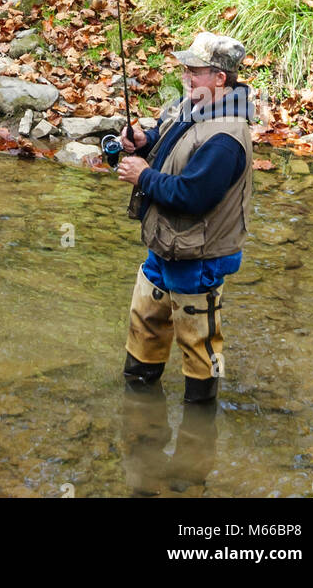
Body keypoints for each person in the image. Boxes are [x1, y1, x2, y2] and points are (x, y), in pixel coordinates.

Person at [116, 32, 252, 403]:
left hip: (199, 257)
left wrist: (142, 175)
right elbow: (168, 137)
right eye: (185, 69)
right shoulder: (191, 105)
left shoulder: (226, 138)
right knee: (145, 323)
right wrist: (144, 141)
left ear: (220, 79)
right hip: (165, 246)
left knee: (199, 345)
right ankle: (139, 401)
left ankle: (200, 420)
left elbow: (191, 197)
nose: (186, 77)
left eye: (194, 71)